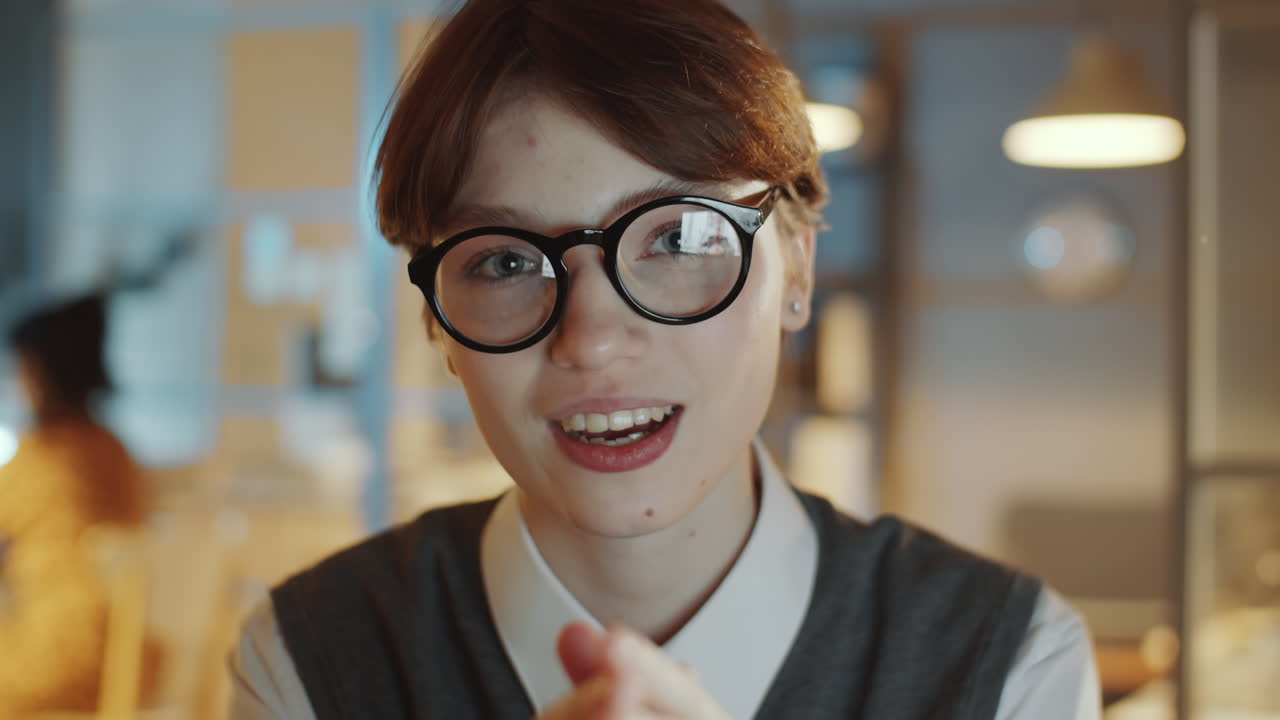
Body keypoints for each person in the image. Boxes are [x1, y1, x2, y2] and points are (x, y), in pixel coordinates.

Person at [230, 1, 1100, 718]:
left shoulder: (1005, 669)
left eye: (679, 237)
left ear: (795, 265)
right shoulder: (312, 665)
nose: (593, 338)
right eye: (504, 261)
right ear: (437, 322)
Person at [0, 294, 148, 714]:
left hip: (51, 667)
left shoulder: (41, 458)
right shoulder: (114, 451)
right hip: (130, 665)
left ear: (37, 374)